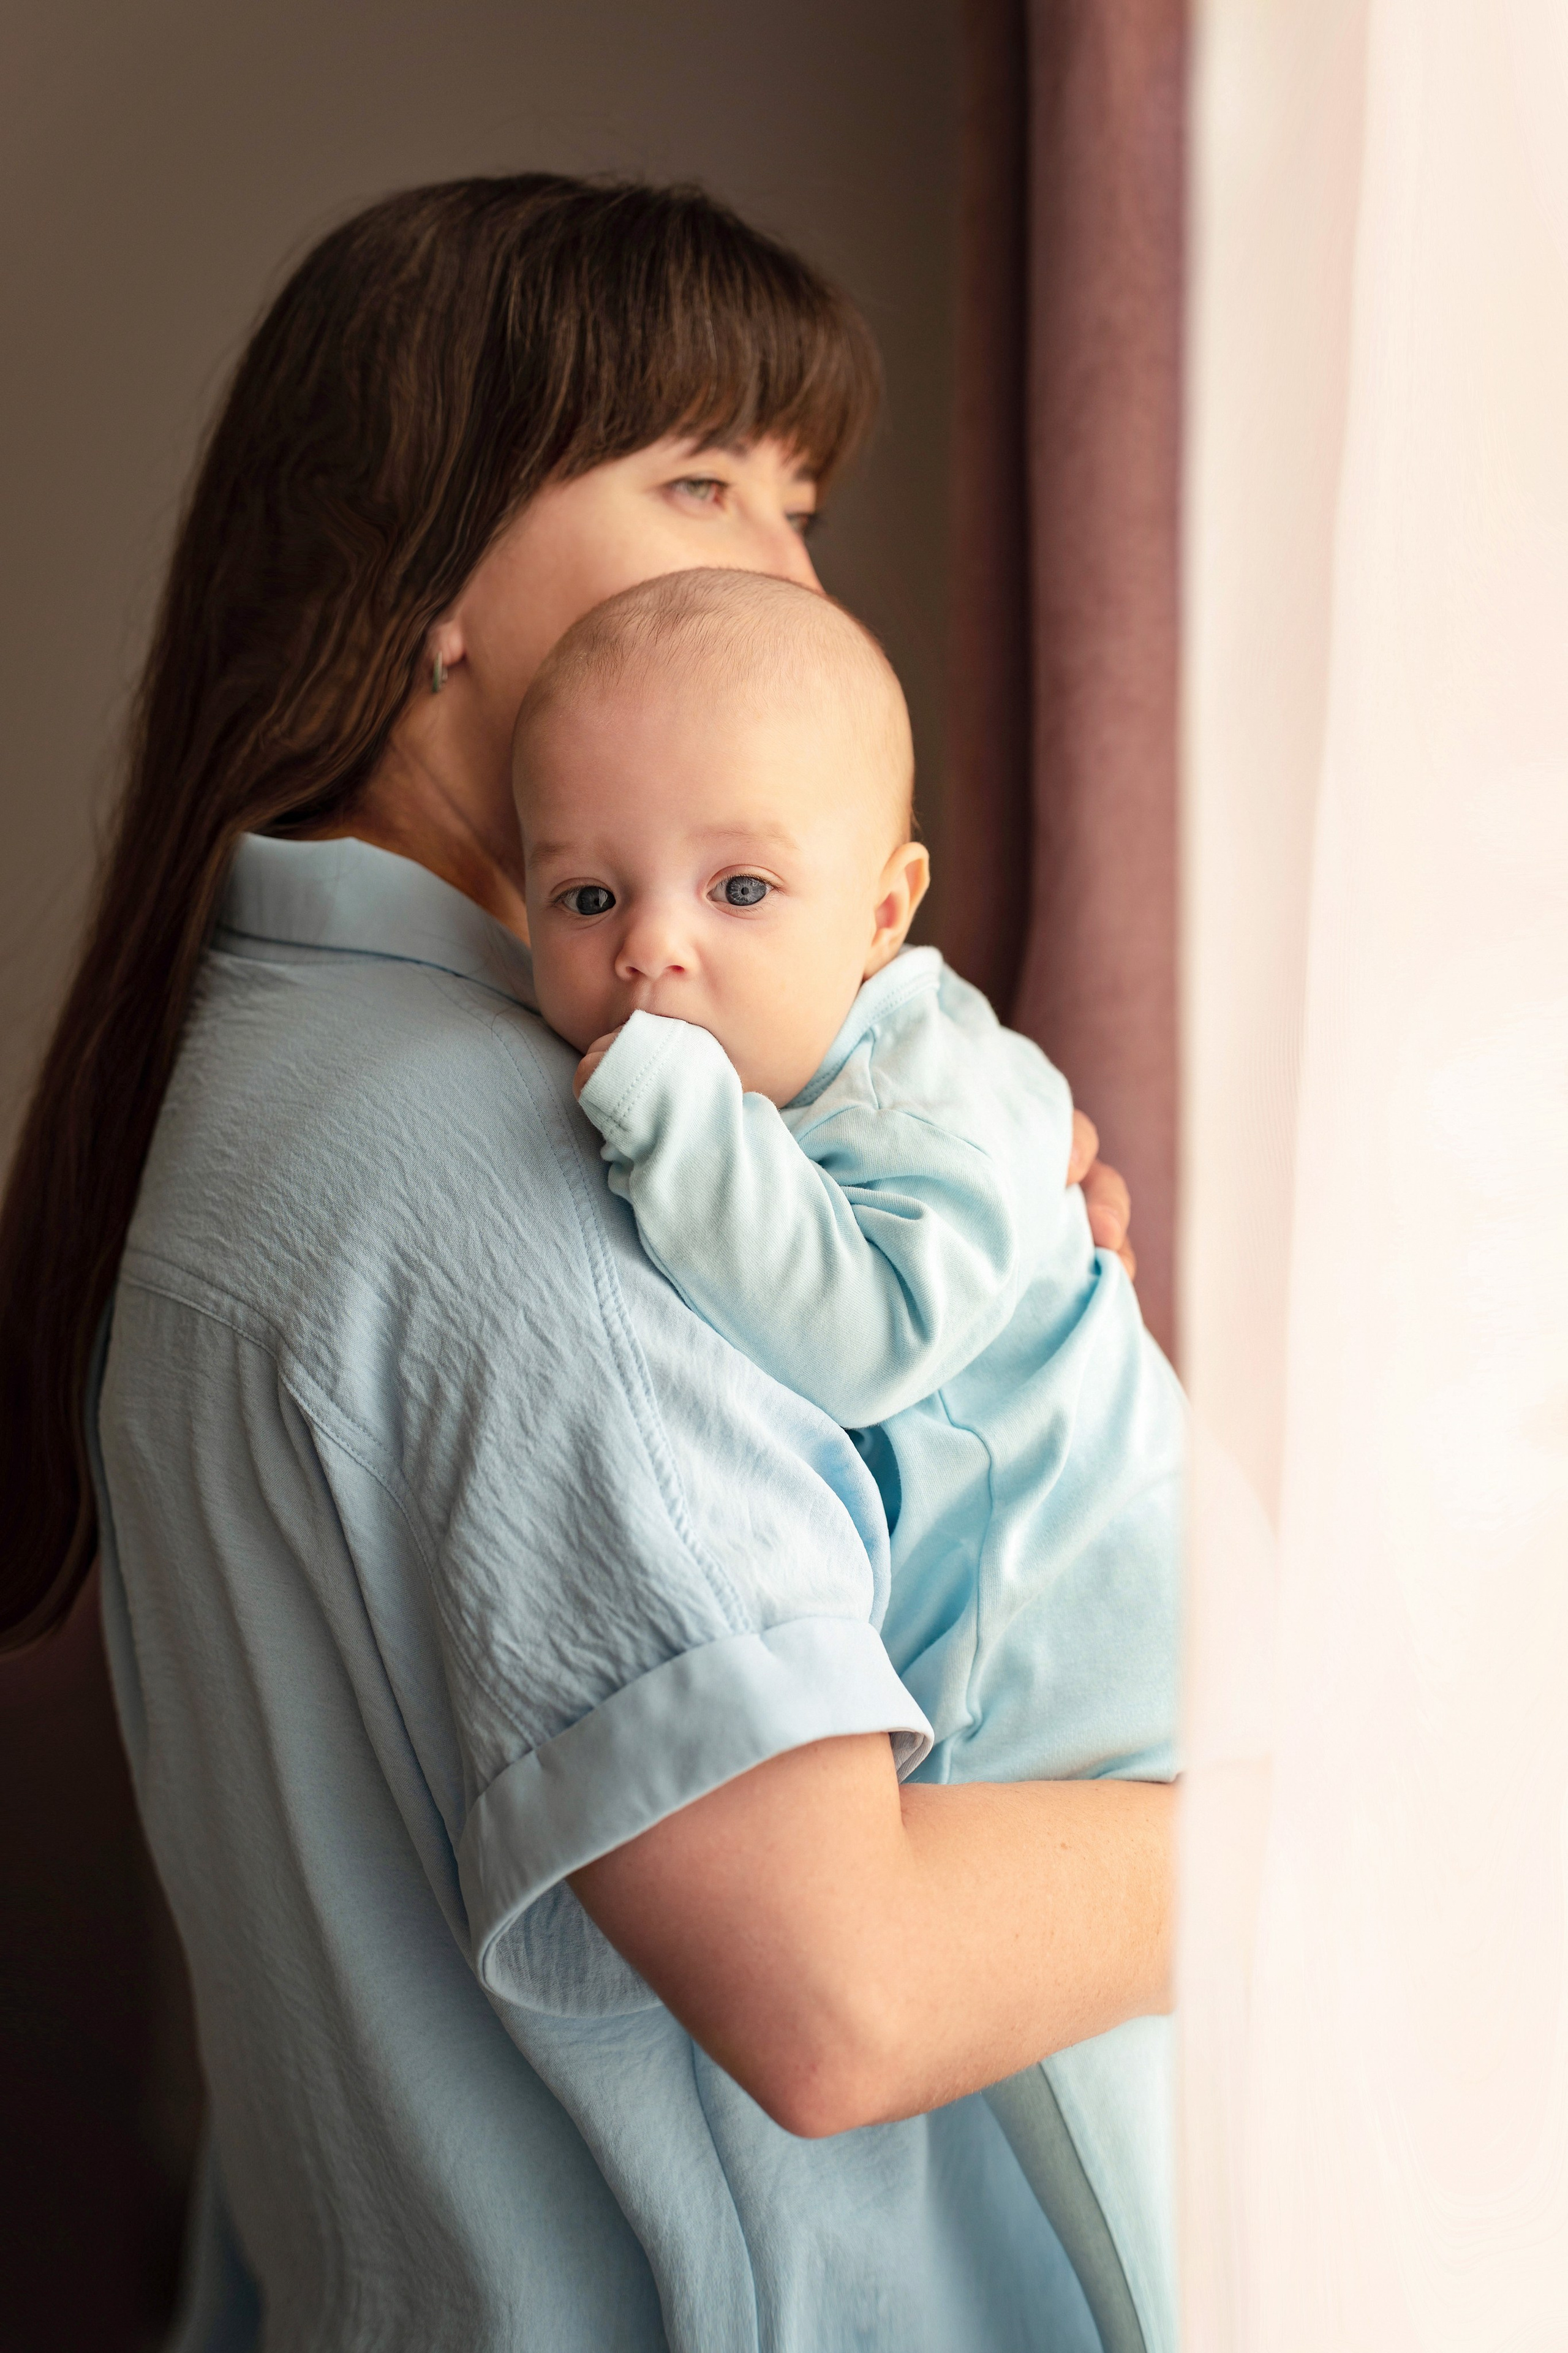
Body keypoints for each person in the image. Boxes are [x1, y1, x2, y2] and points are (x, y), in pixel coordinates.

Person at [0, 176, 1170, 2352]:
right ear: (428, 570)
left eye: (804, 501)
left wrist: (947, 1295)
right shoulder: (525, 1171)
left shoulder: (258, 1087)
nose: (790, 581)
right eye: (703, 479)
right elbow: (846, 1987)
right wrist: (1359, 1806)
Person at [519, 564, 1182, 2347]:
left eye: (739, 888)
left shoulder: (928, 1096)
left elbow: (863, 1332)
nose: (655, 948)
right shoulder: (805, 1069)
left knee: (1157, 2212)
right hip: (1038, 1670)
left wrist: (657, 1100)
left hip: (1106, 1677)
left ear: (883, 911)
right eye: (588, 893)